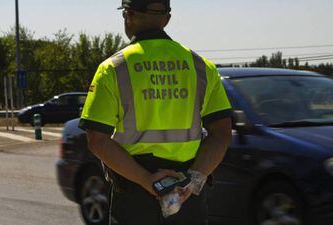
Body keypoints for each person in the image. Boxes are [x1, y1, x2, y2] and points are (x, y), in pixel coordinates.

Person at [79, 0, 233, 224]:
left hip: (134, 197)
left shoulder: (113, 69)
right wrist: (193, 181)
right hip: (185, 197)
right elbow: (222, 134)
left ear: (128, 16)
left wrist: (146, 179)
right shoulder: (201, 67)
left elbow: (97, 140)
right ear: (167, 19)